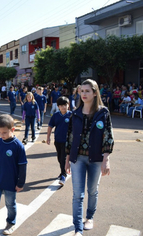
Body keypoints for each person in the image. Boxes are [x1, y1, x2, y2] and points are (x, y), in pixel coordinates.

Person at [65, 79, 114, 236]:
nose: (84, 94)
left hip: (96, 159)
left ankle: (90, 217)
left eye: (87, 91)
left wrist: (106, 159)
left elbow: (108, 136)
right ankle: (78, 228)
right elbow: (70, 138)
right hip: (77, 159)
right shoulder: (75, 114)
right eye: (82, 91)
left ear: (95, 92)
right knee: (77, 194)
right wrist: (67, 159)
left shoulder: (103, 113)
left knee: (92, 191)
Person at [0, 114, 27, 236]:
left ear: (12, 130)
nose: (1, 135)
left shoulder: (18, 146)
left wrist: (20, 183)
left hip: (10, 182)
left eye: (4, 132)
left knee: (10, 204)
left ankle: (11, 223)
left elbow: (23, 166)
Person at [46, 96, 72, 186]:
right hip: (58, 140)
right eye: (61, 105)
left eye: (65, 105)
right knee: (59, 158)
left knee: (63, 158)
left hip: (67, 141)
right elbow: (50, 126)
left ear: (68, 105)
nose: (63, 107)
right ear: (58, 106)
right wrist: (48, 137)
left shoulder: (71, 115)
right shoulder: (56, 115)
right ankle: (63, 171)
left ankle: (63, 175)